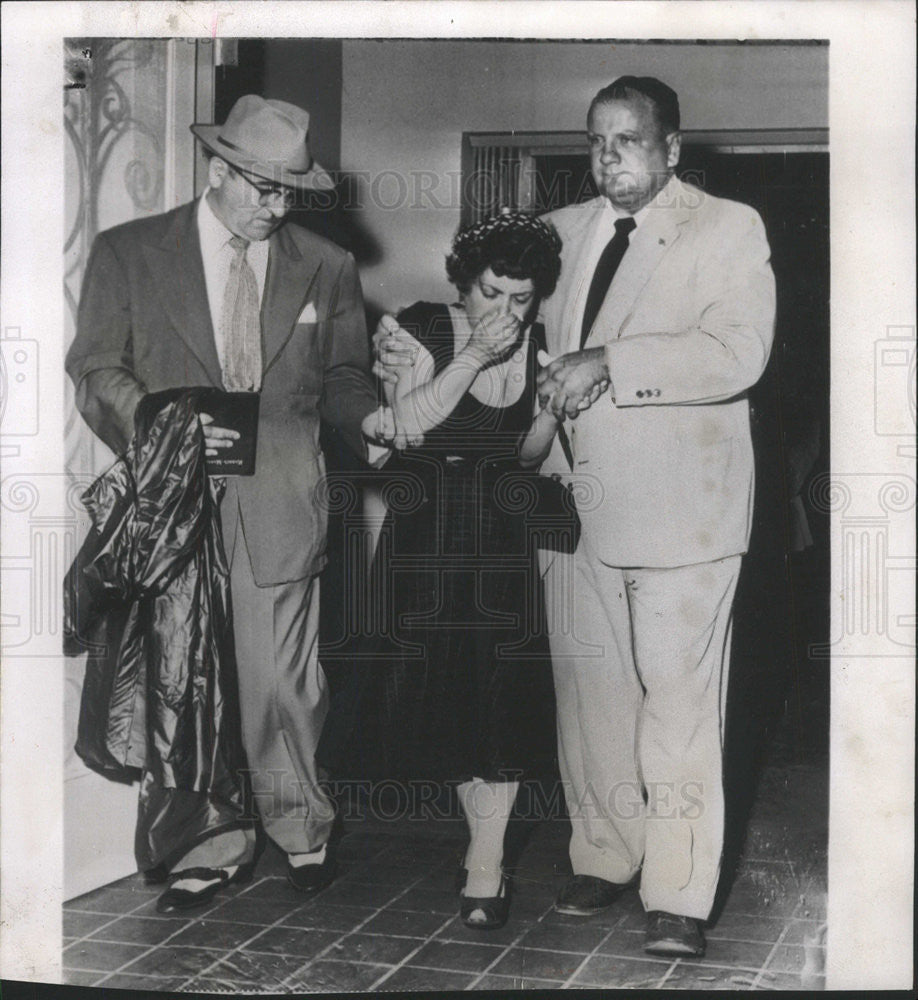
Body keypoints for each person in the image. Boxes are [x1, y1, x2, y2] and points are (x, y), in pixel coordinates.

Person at [66, 94, 391, 913]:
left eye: (290, 194)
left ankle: (301, 826)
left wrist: (378, 421)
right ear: (219, 171)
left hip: (282, 500)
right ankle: (203, 844)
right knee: (183, 684)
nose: (276, 209)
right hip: (173, 500)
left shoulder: (327, 264)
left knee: (283, 683)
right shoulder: (129, 252)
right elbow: (96, 367)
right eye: (263, 190)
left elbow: (345, 379)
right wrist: (160, 422)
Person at [529, 76, 776, 957]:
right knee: (589, 702)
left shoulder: (726, 226)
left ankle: (677, 893)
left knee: (677, 708)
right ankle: (604, 852)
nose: (608, 158)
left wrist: (610, 359)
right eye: (597, 141)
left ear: (672, 148)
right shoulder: (557, 235)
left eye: (628, 141)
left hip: (683, 514)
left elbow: (736, 352)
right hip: (572, 509)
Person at [359, 211, 564, 929]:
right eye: (489, 292)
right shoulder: (422, 326)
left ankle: (487, 860)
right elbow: (407, 426)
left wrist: (548, 412)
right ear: (462, 281)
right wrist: (474, 354)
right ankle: (480, 845)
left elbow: (528, 456)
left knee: (501, 702)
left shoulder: (541, 341)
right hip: (427, 536)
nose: (504, 312)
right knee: (447, 702)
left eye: (520, 299)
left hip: (500, 537)